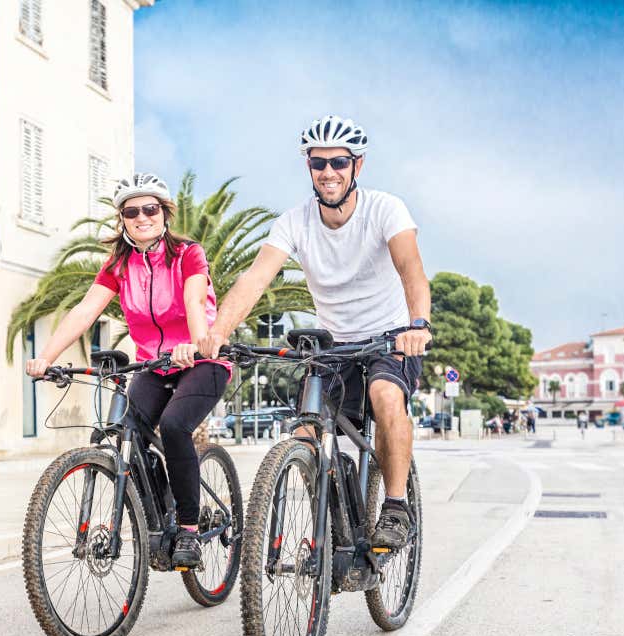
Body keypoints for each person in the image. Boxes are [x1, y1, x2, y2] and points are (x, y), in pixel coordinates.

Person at [198, 116, 431, 549]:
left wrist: (417, 325)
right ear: (308, 166)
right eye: (318, 162)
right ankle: (332, 513)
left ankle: (396, 505)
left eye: (338, 162)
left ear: (356, 166)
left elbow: (411, 271)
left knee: (384, 395)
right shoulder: (295, 222)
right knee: (303, 432)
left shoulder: (386, 209)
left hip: (390, 337)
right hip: (335, 346)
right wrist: (217, 332)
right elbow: (253, 280)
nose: (328, 172)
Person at [26, 173, 229, 569]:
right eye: (131, 211)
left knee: (173, 426)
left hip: (200, 361)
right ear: (123, 219)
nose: (142, 217)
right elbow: (86, 310)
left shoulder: (188, 253)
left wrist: (197, 340)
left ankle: (188, 528)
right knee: (125, 429)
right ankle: (161, 514)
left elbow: (193, 298)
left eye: (150, 208)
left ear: (164, 213)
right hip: (153, 364)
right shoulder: (119, 264)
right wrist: (46, 357)